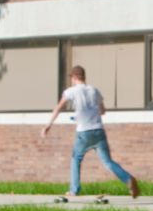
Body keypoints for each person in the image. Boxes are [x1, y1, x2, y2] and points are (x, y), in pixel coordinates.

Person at [42, 65, 140, 199]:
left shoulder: (71, 91)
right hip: (98, 131)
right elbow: (103, 111)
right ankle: (128, 178)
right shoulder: (94, 90)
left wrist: (48, 125)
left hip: (84, 132)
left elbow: (59, 107)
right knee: (108, 162)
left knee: (76, 159)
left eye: (71, 78)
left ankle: (74, 190)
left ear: (74, 77)